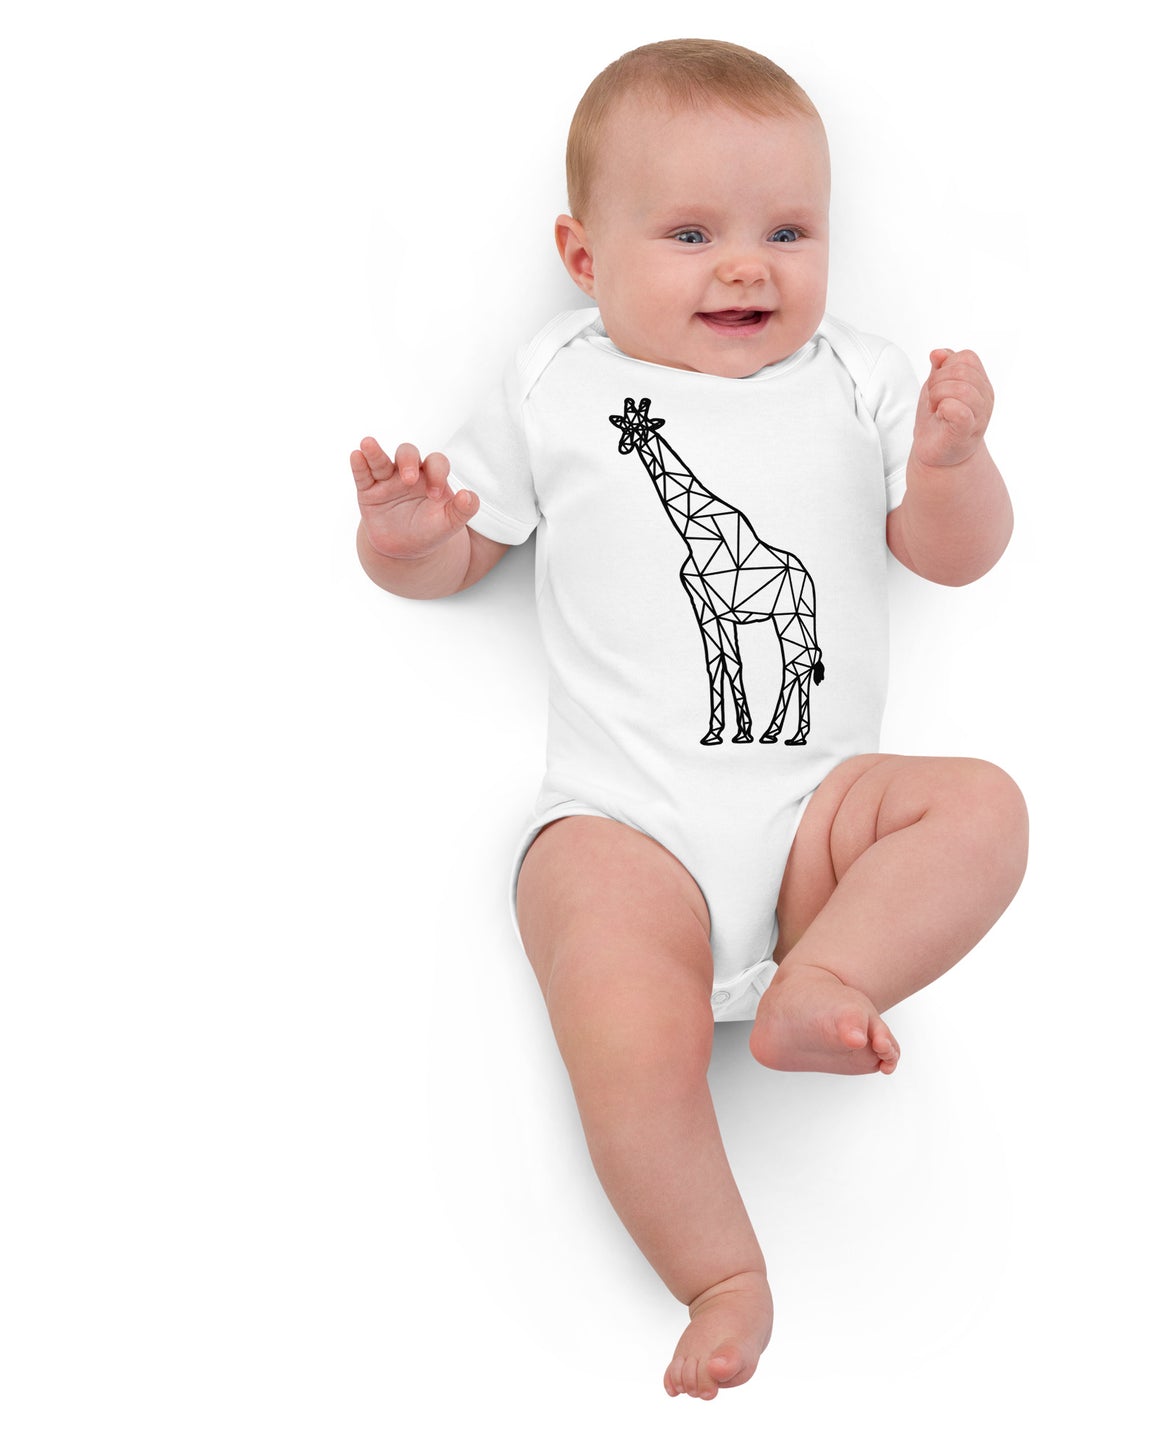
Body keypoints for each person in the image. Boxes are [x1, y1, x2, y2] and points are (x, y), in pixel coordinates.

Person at [350, 38, 1028, 1401]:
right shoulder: (555, 379)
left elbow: (952, 558)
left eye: (787, 232)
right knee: (616, 1011)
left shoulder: (859, 376)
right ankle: (720, 1270)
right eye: (691, 234)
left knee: (982, 807)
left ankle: (825, 977)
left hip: (819, 829)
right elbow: (463, 555)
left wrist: (954, 462)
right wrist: (410, 536)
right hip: (628, 825)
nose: (745, 269)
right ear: (584, 256)